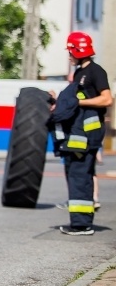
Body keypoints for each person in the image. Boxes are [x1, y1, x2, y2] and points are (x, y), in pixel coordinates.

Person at [50, 32, 111, 236]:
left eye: (70, 52)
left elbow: (107, 99)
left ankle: (82, 224)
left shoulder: (96, 71)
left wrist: (78, 102)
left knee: (80, 176)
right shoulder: (79, 73)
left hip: (87, 134)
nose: (69, 56)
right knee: (77, 175)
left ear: (78, 51)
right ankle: (80, 222)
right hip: (78, 134)